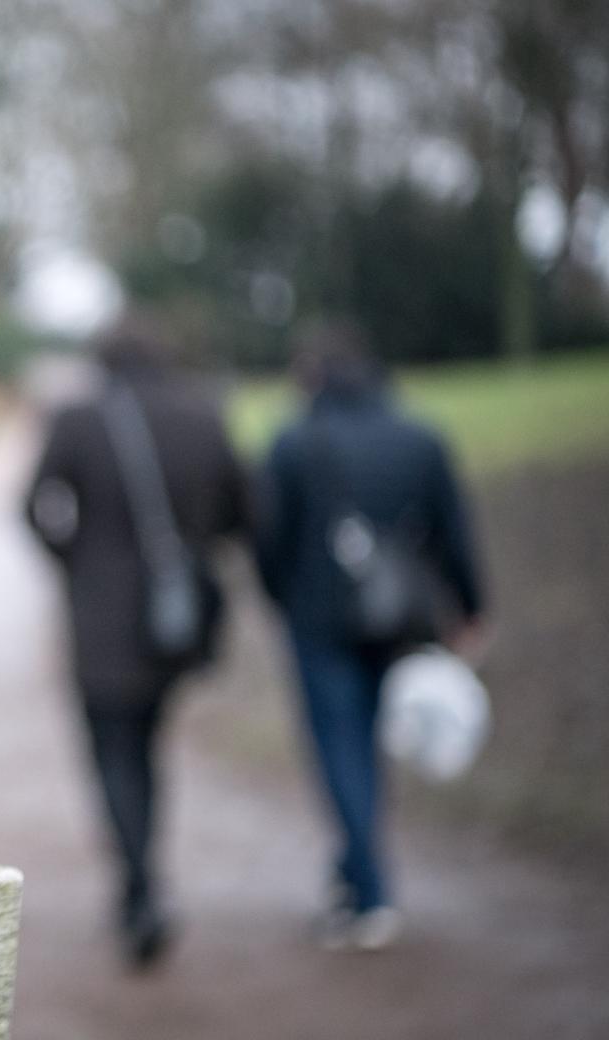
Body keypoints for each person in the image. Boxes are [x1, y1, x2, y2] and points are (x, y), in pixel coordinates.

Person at [26, 315, 250, 968]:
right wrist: (193, 552)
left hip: (100, 624)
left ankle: (140, 889)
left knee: (112, 753)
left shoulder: (77, 418)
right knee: (149, 746)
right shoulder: (202, 415)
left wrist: (75, 562)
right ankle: (144, 878)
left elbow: (32, 505)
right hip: (173, 625)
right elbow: (242, 509)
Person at [255, 321, 485, 950]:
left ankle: (369, 892)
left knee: (341, 748)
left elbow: (268, 541)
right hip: (401, 621)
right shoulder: (420, 437)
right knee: (375, 748)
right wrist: (470, 608)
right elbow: (454, 530)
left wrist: (286, 600)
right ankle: (358, 870)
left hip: (319, 623)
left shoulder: (294, 442)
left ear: (313, 377)